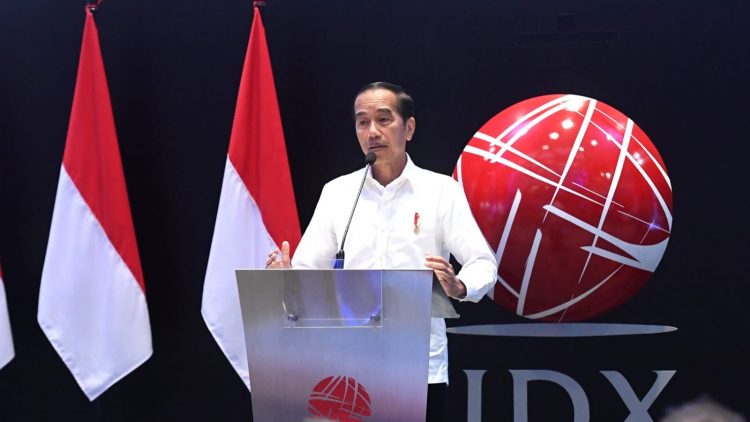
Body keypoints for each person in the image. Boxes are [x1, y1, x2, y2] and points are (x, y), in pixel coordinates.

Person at [267, 81, 497, 421]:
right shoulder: (338, 193)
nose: (372, 131)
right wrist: (285, 278)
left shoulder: (440, 191)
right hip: (346, 367)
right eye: (363, 122)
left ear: (409, 128)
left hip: (417, 365)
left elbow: (483, 263)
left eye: (384, 119)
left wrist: (459, 285)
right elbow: (308, 273)